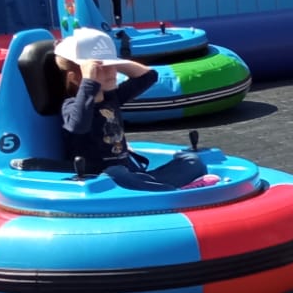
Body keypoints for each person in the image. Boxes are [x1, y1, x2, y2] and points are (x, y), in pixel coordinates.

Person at [54, 27, 208, 190]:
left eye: (111, 65)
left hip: (131, 176)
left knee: (193, 161)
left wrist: (114, 61)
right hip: (101, 181)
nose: (111, 71)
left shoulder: (112, 97)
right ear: (76, 79)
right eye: (101, 68)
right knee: (115, 173)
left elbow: (148, 76)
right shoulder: (71, 105)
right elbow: (78, 126)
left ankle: (161, 188)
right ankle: (170, 190)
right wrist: (89, 81)